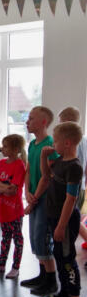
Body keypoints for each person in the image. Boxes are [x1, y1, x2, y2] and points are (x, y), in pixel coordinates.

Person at [40, 122, 83, 297]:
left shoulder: (74, 167)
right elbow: (46, 175)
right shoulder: (59, 161)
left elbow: (71, 199)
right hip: (54, 217)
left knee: (67, 258)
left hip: (64, 220)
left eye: (55, 141)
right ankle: (63, 292)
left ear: (67, 143)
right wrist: (43, 157)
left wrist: (61, 226)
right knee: (59, 255)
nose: (53, 144)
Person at [21, 106, 59, 296]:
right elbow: (29, 170)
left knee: (43, 238)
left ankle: (51, 281)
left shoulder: (50, 145)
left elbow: (48, 176)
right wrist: (26, 191)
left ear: (44, 122)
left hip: (45, 200)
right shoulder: (32, 144)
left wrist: (33, 199)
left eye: (31, 118)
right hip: (35, 197)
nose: (27, 122)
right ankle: (43, 275)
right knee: (35, 238)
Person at [0, 134, 27, 279]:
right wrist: (4, 187)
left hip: (14, 209)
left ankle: (16, 267)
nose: (2, 149)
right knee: (5, 238)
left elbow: (13, 190)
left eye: (5, 146)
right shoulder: (1, 163)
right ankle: (1, 264)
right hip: (3, 208)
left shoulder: (19, 165)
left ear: (15, 149)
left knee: (17, 239)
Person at [57, 107, 87, 251]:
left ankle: (67, 252)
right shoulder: (84, 140)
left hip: (72, 187)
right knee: (74, 218)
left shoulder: (74, 143)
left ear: (67, 122)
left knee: (69, 220)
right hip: (80, 187)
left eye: (60, 122)